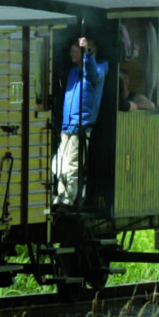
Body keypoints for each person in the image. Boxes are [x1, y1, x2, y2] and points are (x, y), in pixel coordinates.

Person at [53, 33, 108, 206]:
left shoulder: (99, 67)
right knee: (61, 164)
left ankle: (69, 198)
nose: (71, 54)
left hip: (81, 126)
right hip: (67, 125)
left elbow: (92, 74)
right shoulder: (72, 73)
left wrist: (88, 54)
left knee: (73, 165)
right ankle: (61, 194)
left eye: (74, 51)